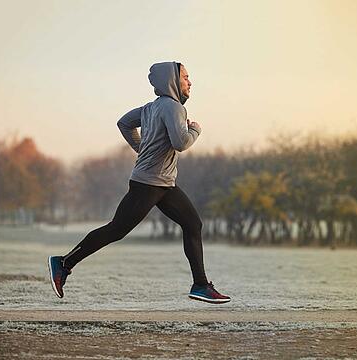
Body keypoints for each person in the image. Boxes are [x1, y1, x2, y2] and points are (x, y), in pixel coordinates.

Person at [48, 61, 231, 304]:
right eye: (186, 77)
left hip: (163, 184)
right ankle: (63, 263)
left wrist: (141, 148)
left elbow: (124, 122)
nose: (190, 82)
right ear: (173, 80)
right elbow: (181, 143)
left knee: (193, 224)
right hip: (149, 184)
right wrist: (195, 130)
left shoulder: (151, 108)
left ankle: (200, 285)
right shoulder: (174, 108)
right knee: (117, 229)